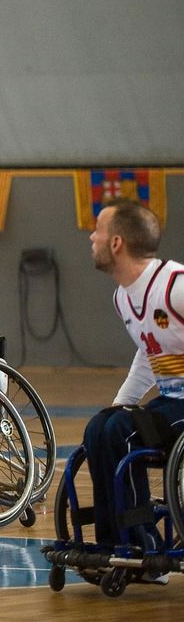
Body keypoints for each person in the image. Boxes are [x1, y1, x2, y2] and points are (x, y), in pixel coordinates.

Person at [82, 199, 184, 550]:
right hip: (172, 401)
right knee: (102, 426)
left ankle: (144, 546)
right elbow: (147, 354)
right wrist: (119, 405)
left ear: (116, 243)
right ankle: (114, 543)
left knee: (123, 431)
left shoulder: (176, 286)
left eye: (98, 229)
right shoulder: (123, 298)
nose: (91, 237)